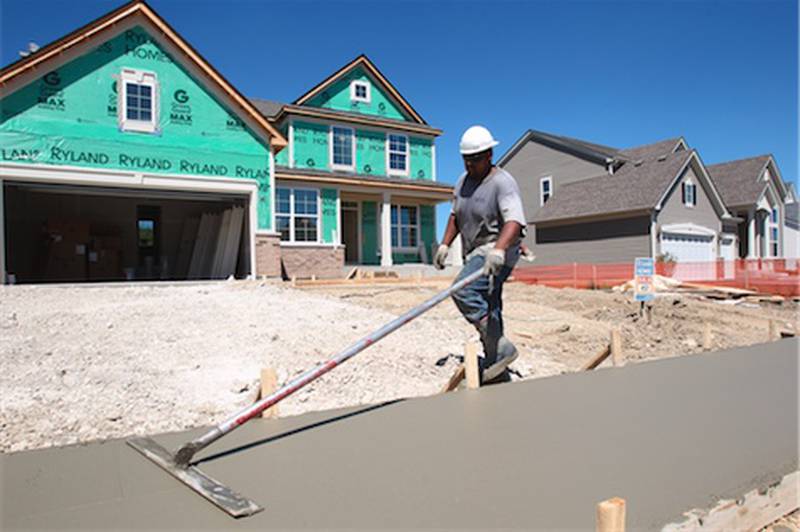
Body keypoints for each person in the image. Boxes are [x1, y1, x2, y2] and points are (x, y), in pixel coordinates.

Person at [434, 125, 527, 382]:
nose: (469, 165)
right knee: (490, 303)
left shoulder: (502, 182)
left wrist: (498, 250)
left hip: (500, 249)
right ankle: (497, 362)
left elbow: (514, 221)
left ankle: (499, 346)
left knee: (463, 290)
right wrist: (444, 244)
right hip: (475, 250)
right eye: (466, 159)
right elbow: (455, 215)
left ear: (489, 155)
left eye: (475, 159)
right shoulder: (462, 183)